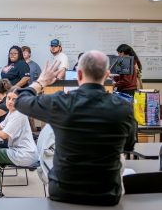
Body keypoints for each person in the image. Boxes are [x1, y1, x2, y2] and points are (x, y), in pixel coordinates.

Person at [14, 50, 136, 206]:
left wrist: (41, 82)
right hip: (107, 195)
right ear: (107, 75)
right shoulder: (124, 108)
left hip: (63, 193)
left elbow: (20, 100)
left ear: (78, 74)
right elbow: (128, 146)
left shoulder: (60, 103)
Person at [0, 86, 38, 197]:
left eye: (14, 99)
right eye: (8, 98)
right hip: (19, 151)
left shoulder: (19, 115)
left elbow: (3, 135)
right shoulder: (12, 112)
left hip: (24, 154)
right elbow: (1, 126)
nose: (10, 102)